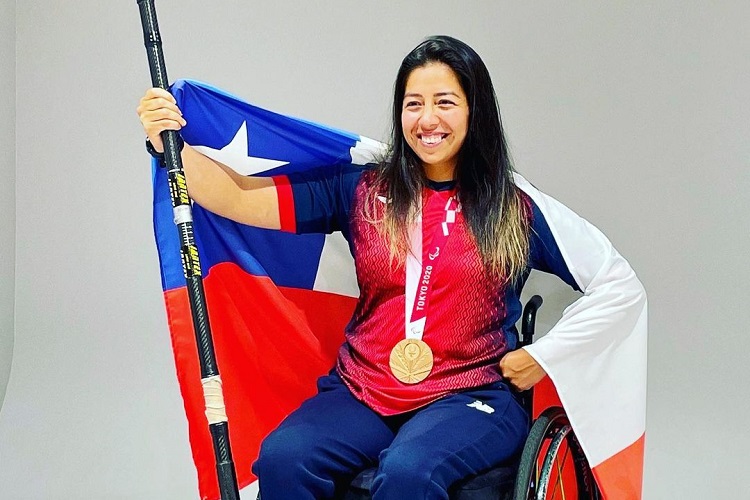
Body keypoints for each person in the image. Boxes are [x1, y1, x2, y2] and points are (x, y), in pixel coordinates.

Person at [138, 35, 646, 500]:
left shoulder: (515, 206)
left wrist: (547, 355)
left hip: (471, 393)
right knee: (282, 460)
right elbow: (238, 196)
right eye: (414, 104)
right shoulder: (362, 189)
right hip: (366, 388)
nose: (428, 120)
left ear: (475, 111)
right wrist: (168, 143)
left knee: (410, 472)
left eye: (445, 103)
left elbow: (617, 283)